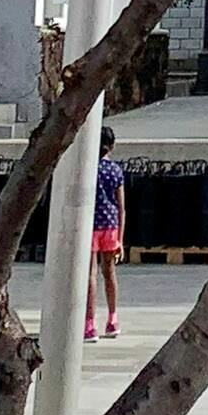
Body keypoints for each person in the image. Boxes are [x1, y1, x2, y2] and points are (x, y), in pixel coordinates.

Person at [86, 124, 127, 336]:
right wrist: (120, 238)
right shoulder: (115, 170)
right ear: (112, 146)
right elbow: (121, 206)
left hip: (91, 224)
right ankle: (112, 319)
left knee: (90, 274)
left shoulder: (89, 168)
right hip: (111, 224)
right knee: (109, 273)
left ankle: (89, 323)